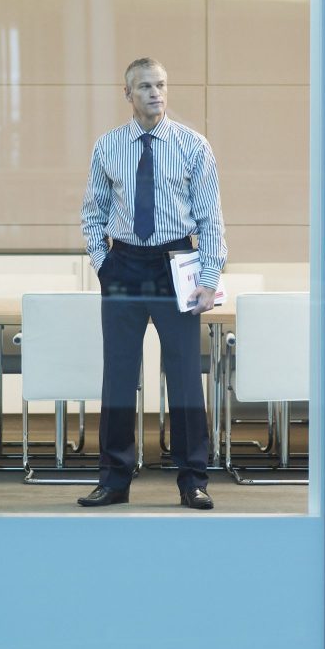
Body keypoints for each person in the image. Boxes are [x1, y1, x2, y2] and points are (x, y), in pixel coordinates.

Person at [78, 56, 227, 510]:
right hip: (124, 264)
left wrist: (208, 278)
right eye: (144, 86)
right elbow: (92, 214)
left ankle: (193, 480)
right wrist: (105, 265)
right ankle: (114, 479)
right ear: (128, 94)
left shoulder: (193, 146)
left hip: (175, 262)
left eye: (160, 84)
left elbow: (211, 218)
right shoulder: (108, 147)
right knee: (118, 376)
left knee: (183, 375)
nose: (154, 93)